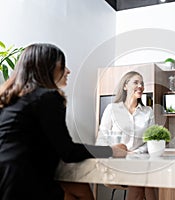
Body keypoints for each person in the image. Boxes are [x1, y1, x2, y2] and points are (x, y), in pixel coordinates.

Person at [0, 43, 128, 200]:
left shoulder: (9, 99)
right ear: (48, 67)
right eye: (62, 65)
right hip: (22, 181)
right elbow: (68, 152)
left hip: (7, 175)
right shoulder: (48, 97)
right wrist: (112, 151)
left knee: (79, 188)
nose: (68, 71)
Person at [96, 71, 158, 200]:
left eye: (142, 83)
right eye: (136, 82)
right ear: (125, 86)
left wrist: (135, 153)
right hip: (116, 162)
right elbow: (102, 139)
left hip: (139, 161)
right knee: (144, 179)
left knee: (142, 176)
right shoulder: (112, 109)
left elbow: (151, 141)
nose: (140, 86)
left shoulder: (148, 112)